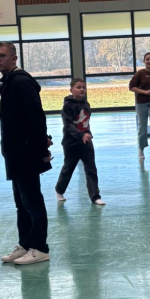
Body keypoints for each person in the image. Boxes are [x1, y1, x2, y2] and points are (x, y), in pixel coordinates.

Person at [0, 41, 52, 265]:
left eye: (2, 55)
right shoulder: (8, 82)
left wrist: (42, 149)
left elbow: (37, 117)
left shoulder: (21, 82)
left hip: (27, 152)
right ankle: (25, 243)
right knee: (21, 203)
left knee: (32, 201)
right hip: (14, 153)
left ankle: (40, 247)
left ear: (14, 58)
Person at [54, 78, 105, 206]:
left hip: (86, 142)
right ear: (71, 90)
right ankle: (59, 190)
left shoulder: (86, 104)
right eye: (78, 87)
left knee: (91, 169)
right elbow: (68, 125)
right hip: (71, 143)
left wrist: (87, 135)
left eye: (84, 87)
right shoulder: (67, 106)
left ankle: (95, 196)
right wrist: (80, 134)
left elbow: (85, 123)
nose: (82, 89)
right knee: (68, 168)